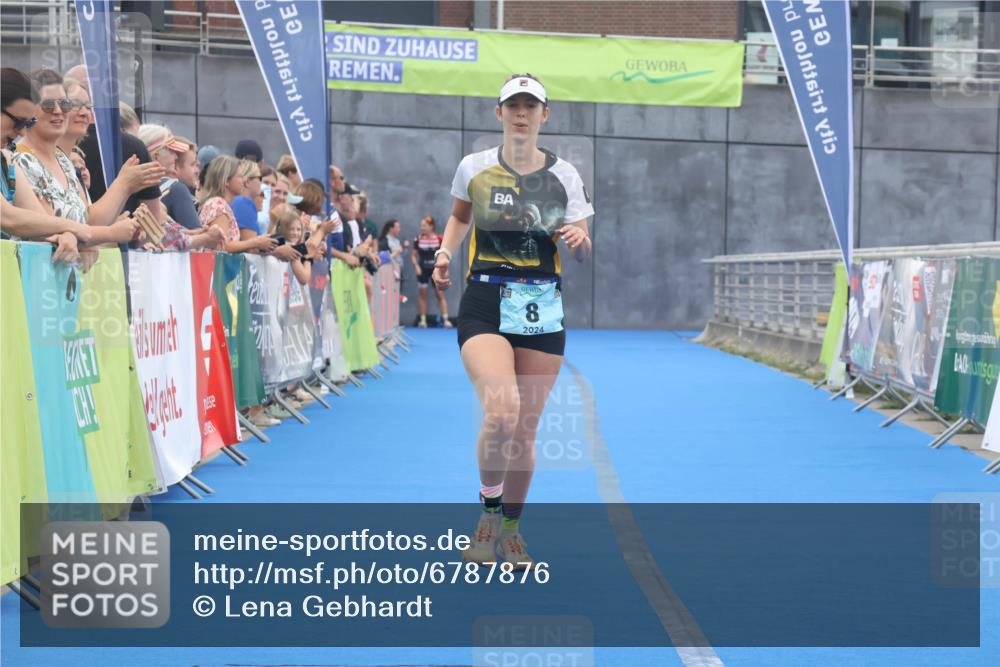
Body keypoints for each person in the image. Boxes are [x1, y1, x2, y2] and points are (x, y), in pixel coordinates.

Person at [434, 74, 593, 569]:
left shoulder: (564, 175)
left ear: (545, 114)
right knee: (501, 414)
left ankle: (511, 531)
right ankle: (488, 516)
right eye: (513, 105)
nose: (521, 113)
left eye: (530, 105)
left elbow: (581, 240)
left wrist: (579, 240)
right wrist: (445, 252)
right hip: (485, 298)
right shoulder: (474, 167)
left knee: (523, 429)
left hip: (541, 303)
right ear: (498, 112)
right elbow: (460, 217)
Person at [13, 69, 152, 245]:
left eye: (64, 104)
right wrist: (111, 233)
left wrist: (125, 187)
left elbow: (87, 220)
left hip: (69, 264)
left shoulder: (63, 160)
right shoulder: (21, 160)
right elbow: (47, 231)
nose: (58, 111)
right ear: (29, 110)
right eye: (48, 105)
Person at [1, 66, 90, 256]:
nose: (22, 131)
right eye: (19, 121)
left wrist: (67, 234)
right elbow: (7, 217)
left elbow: (37, 221)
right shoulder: (18, 158)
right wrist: (73, 229)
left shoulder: (6, 159)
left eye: (27, 123)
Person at [197, 155, 276, 254]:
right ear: (226, 181)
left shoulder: (220, 204)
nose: (244, 180)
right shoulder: (218, 204)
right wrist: (256, 242)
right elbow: (222, 245)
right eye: (240, 176)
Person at [411, 215, 450, 328]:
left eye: (424, 225)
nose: (422, 228)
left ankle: (445, 319)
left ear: (431, 226)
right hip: (422, 270)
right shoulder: (418, 239)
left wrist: (445, 269)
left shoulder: (439, 239)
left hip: (436, 269)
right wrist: (416, 266)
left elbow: (445, 255)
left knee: (440, 294)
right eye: (421, 226)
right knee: (422, 294)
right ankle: (423, 320)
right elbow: (413, 256)